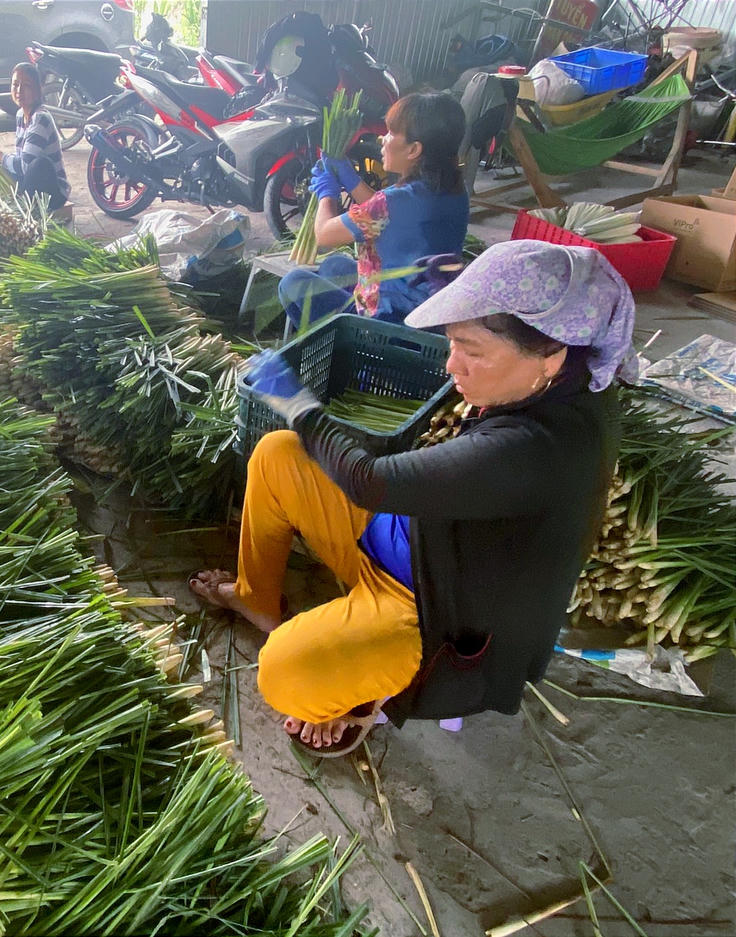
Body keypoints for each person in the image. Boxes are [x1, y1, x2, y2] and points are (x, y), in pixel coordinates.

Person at [192, 240, 633, 756]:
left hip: (431, 610)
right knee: (279, 454)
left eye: (471, 351)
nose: (452, 366)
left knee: (284, 673)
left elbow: (368, 482)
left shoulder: (541, 449)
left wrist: (297, 403)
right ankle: (257, 599)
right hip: (408, 538)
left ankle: (366, 693)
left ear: (551, 353)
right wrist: (448, 289)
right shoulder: (551, 379)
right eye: (453, 344)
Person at [279, 92, 470, 330]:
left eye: (391, 133)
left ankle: (335, 349)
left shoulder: (396, 201)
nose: (383, 139)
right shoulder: (452, 190)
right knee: (335, 265)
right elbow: (385, 213)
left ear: (414, 150)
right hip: (429, 311)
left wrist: (326, 193)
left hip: (389, 319)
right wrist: (350, 180)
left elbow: (325, 236)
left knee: (292, 283)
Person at [0, 63, 70, 211]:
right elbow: (21, 157)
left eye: (26, 86)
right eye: (15, 85)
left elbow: (25, 166)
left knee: (39, 165)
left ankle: (23, 206)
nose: (19, 91)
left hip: (53, 192)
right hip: (29, 183)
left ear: (38, 90)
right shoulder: (21, 114)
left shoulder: (41, 118)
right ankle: (4, 203)